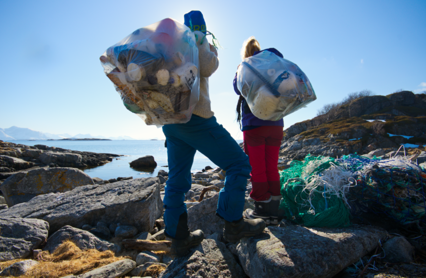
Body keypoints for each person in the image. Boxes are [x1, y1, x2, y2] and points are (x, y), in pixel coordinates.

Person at [162, 11, 266, 257]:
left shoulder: (169, 46)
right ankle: (233, 224)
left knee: (176, 178)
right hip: (196, 118)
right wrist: (211, 49)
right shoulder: (196, 38)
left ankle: (178, 238)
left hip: (171, 121)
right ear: (200, 26)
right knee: (239, 164)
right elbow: (207, 67)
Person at [233, 36, 284, 225]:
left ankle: (262, 209)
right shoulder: (274, 65)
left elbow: (237, 89)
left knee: (257, 168)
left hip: (254, 125)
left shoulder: (245, 67)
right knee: (272, 166)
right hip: (276, 124)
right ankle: (274, 209)